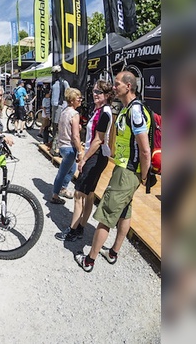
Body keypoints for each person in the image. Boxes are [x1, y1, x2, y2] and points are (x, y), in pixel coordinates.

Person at [76, 71, 151, 272]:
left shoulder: (135, 111)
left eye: (117, 84)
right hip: (127, 169)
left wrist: (144, 175)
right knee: (125, 212)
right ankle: (113, 252)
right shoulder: (129, 109)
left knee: (106, 215)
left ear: (128, 86)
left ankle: (89, 260)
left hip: (127, 170)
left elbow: (145, 149)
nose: (114, 86)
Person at [55, 80, 114, 242]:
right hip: (96, 155)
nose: (95, 95)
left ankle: (72, 230)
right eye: (94, 91)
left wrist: (83, 159)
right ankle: (80, 228)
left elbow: (98, 140)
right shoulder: (100, 110)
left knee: (78, 195)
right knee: (88, 195)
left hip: (95, 156)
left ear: (107, 95)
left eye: (99, 92)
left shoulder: (104, 112)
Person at [50, 88, 84, 205]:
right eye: (78, 98)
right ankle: (55, 194)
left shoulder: (64, 111)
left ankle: (62, 188)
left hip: (63, 145)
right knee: (63, 172)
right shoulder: (74, 114)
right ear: (72, 100)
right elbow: (75, 136)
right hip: (69, 146)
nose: (80, 100)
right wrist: (80, 151)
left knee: (71, 169)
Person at [50, 66, 70, 154]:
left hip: (60, 106)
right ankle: (54, 144)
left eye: (56, 73)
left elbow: (68, 93)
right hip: (54, 106)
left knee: (58, 126)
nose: (55, 75)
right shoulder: (54, 83)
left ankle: (56, 147)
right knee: (54, 125)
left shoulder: (64, 83)